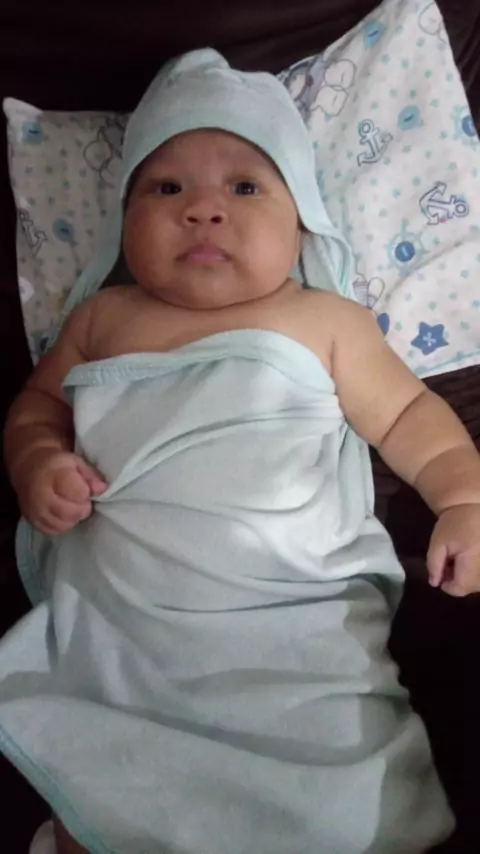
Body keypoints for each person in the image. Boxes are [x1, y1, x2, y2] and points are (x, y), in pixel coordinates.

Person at [1, 48, 477, 854]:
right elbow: (36, 407)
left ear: (302, 221)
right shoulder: (102, 319)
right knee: (108, 777)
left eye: (246, 187)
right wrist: (35, 460)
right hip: (131, 627)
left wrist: (464, 499)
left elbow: (408, 417)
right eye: (166, 188)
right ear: (122, 220)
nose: (203, 210)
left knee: (337, 803)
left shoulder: (324, 321)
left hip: (290, 615)